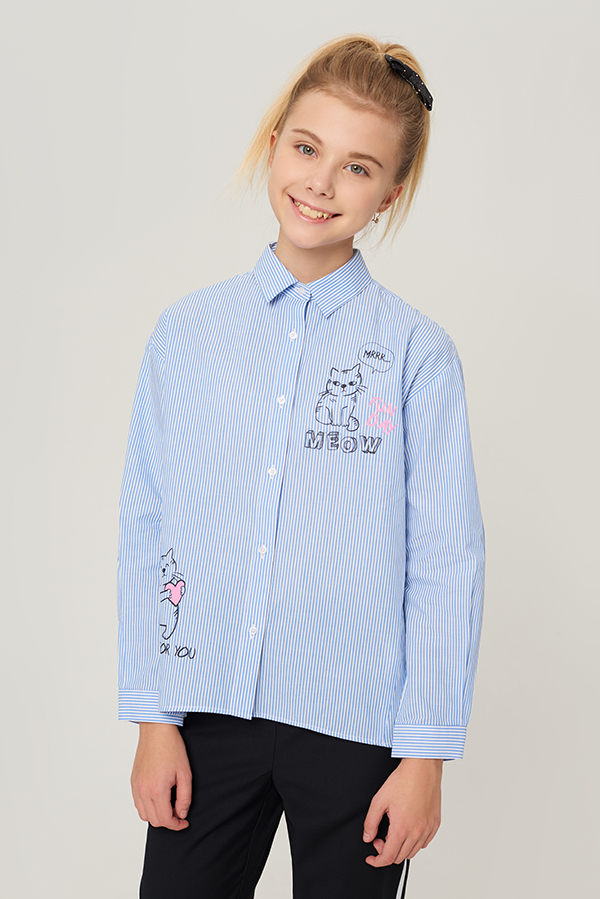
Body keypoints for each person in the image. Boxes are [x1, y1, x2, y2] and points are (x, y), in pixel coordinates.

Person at [118, 34, 485, 899]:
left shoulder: (417, 355)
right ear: (275, 140)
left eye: (358, 168)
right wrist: (153, 716)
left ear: (389, 194)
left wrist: (425, 755)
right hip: (206, 714)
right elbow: (147, 521)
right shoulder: (188, 333)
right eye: (308, 148)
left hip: (357, 729)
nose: (321, 182)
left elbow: (446, 558)